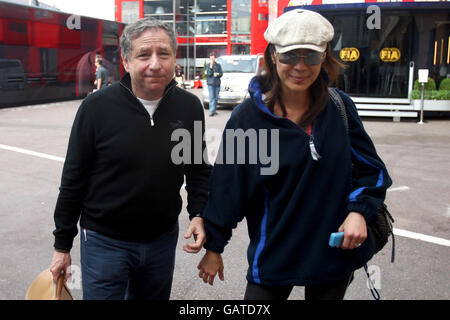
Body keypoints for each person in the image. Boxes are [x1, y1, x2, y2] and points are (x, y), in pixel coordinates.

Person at [197, 9, 392, 300]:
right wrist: (214, 247)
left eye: (311, 56)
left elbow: (372, 171)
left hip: (333, 256)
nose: (300, 66)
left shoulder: (340, 109)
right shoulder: (248, 119)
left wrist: (358, 213)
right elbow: (229, 188)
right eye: (290, 56)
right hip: (274, 256)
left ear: (324, 58)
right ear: (273, 56)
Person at [49, 17, 211, 300]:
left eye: (164, 54)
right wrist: (62, 246)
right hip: (104, 242)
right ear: (126, 61)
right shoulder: (96, 108)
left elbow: (197, 169)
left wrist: (198, 212)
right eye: (143, 54)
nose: (155, 64)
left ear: (175, 58)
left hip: (161, 240)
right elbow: (73, 178)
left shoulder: (189, 107)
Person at [206, 52, 222, 117]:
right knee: (212, 97)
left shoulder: (218, 65)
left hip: (217, 83)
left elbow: (221, 73)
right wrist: (211, 66)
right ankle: (212, 111)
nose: (212, 58)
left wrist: (219, 74)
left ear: (215, 58)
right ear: (209, 58)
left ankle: (214, 110)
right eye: (211, 57)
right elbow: (209, 74)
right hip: (210, 83)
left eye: (213, 57)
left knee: (216, 98)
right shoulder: (208, 65)